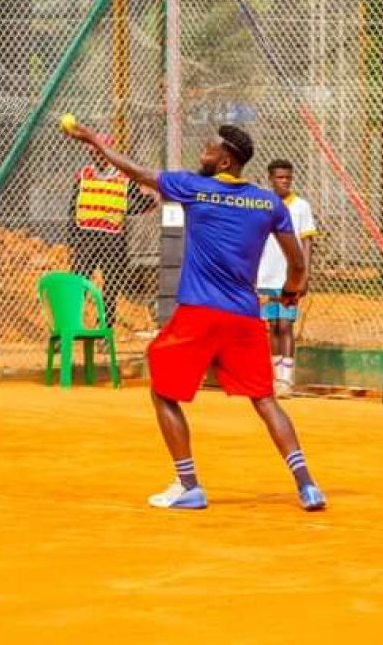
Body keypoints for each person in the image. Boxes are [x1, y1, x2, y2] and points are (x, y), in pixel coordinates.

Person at [63, 120, 325, 512]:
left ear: (224, 159)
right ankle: (307, 486)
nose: (201, 153)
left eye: (207, 149)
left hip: (199, 314)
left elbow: (134, 171)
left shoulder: (195, 187)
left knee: (162, 391)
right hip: (243, 318)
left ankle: (188, 485)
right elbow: (299, 265)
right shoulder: (268, 203)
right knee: (266, 400)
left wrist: (91, 140)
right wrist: (289, 294)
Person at [69, 133, 154, 329]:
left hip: (112, 237)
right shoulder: (84, 175)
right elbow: (73, 207)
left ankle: (105, 325)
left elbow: (140, 201)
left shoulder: (123, 177)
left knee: (111, 284)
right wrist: (72, 238)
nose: (96, 156)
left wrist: (130, 208)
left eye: (99, 152)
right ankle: (71, 322)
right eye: (92, 152)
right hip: (86, 235)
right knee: (78, 282)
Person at [256, 159, 316, 397]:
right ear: (271, 179)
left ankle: (286, 380)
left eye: (288, 178)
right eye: (280, 178)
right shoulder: (262, 205)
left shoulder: (301, 206)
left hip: (289, 278)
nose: (285, 182)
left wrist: (304, 275)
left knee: (286, 325)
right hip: (265, 276)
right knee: (271, 327)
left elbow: (307, 241)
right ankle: (276, 379)